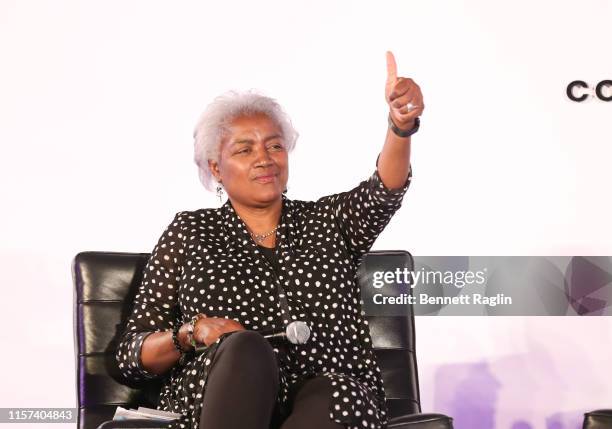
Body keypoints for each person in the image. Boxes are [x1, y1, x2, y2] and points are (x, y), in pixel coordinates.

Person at [115, 51, 424, 429]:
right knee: (245, 347)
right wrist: (189, 334)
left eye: (274, 146)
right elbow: (131, 356)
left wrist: (400, 126)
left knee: (343, 395)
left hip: (325, 405)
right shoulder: (190, 232)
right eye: (245, 149)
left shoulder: (328, 222)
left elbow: (384, 190)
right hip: (224, 403)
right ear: (216, 167)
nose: (264, 158)